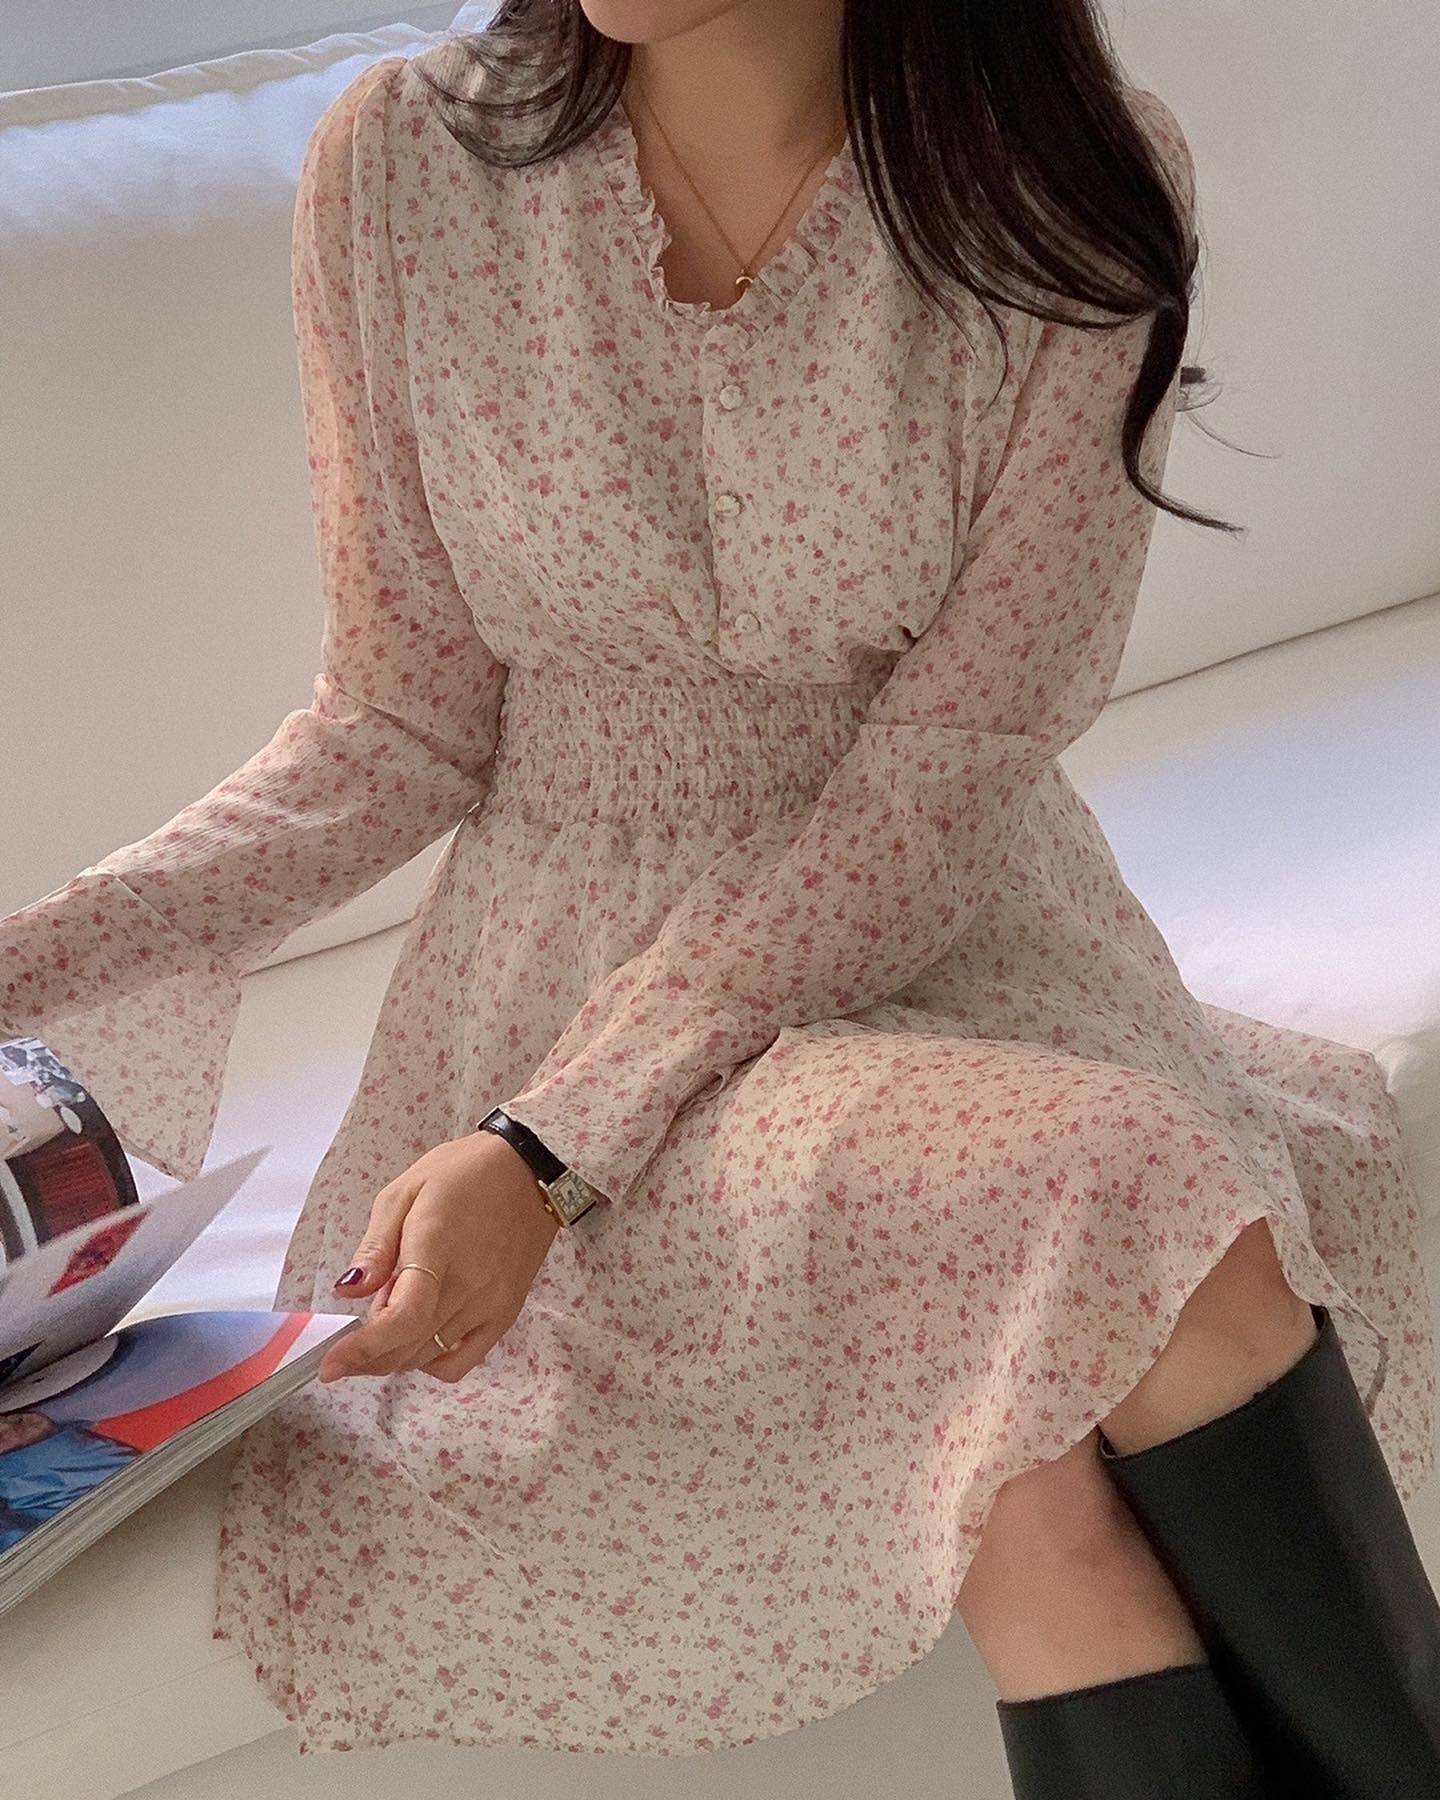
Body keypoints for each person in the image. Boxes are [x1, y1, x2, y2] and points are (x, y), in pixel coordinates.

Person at [1, 1, 1436, 1791]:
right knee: (1086, 1344)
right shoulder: (403, 171)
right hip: (566, 1000)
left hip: (952, 938)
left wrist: (548, 1150)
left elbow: (954, 764)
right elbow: (395, 729)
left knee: (1084, 1365)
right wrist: (29, 961)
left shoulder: (1066, 188)